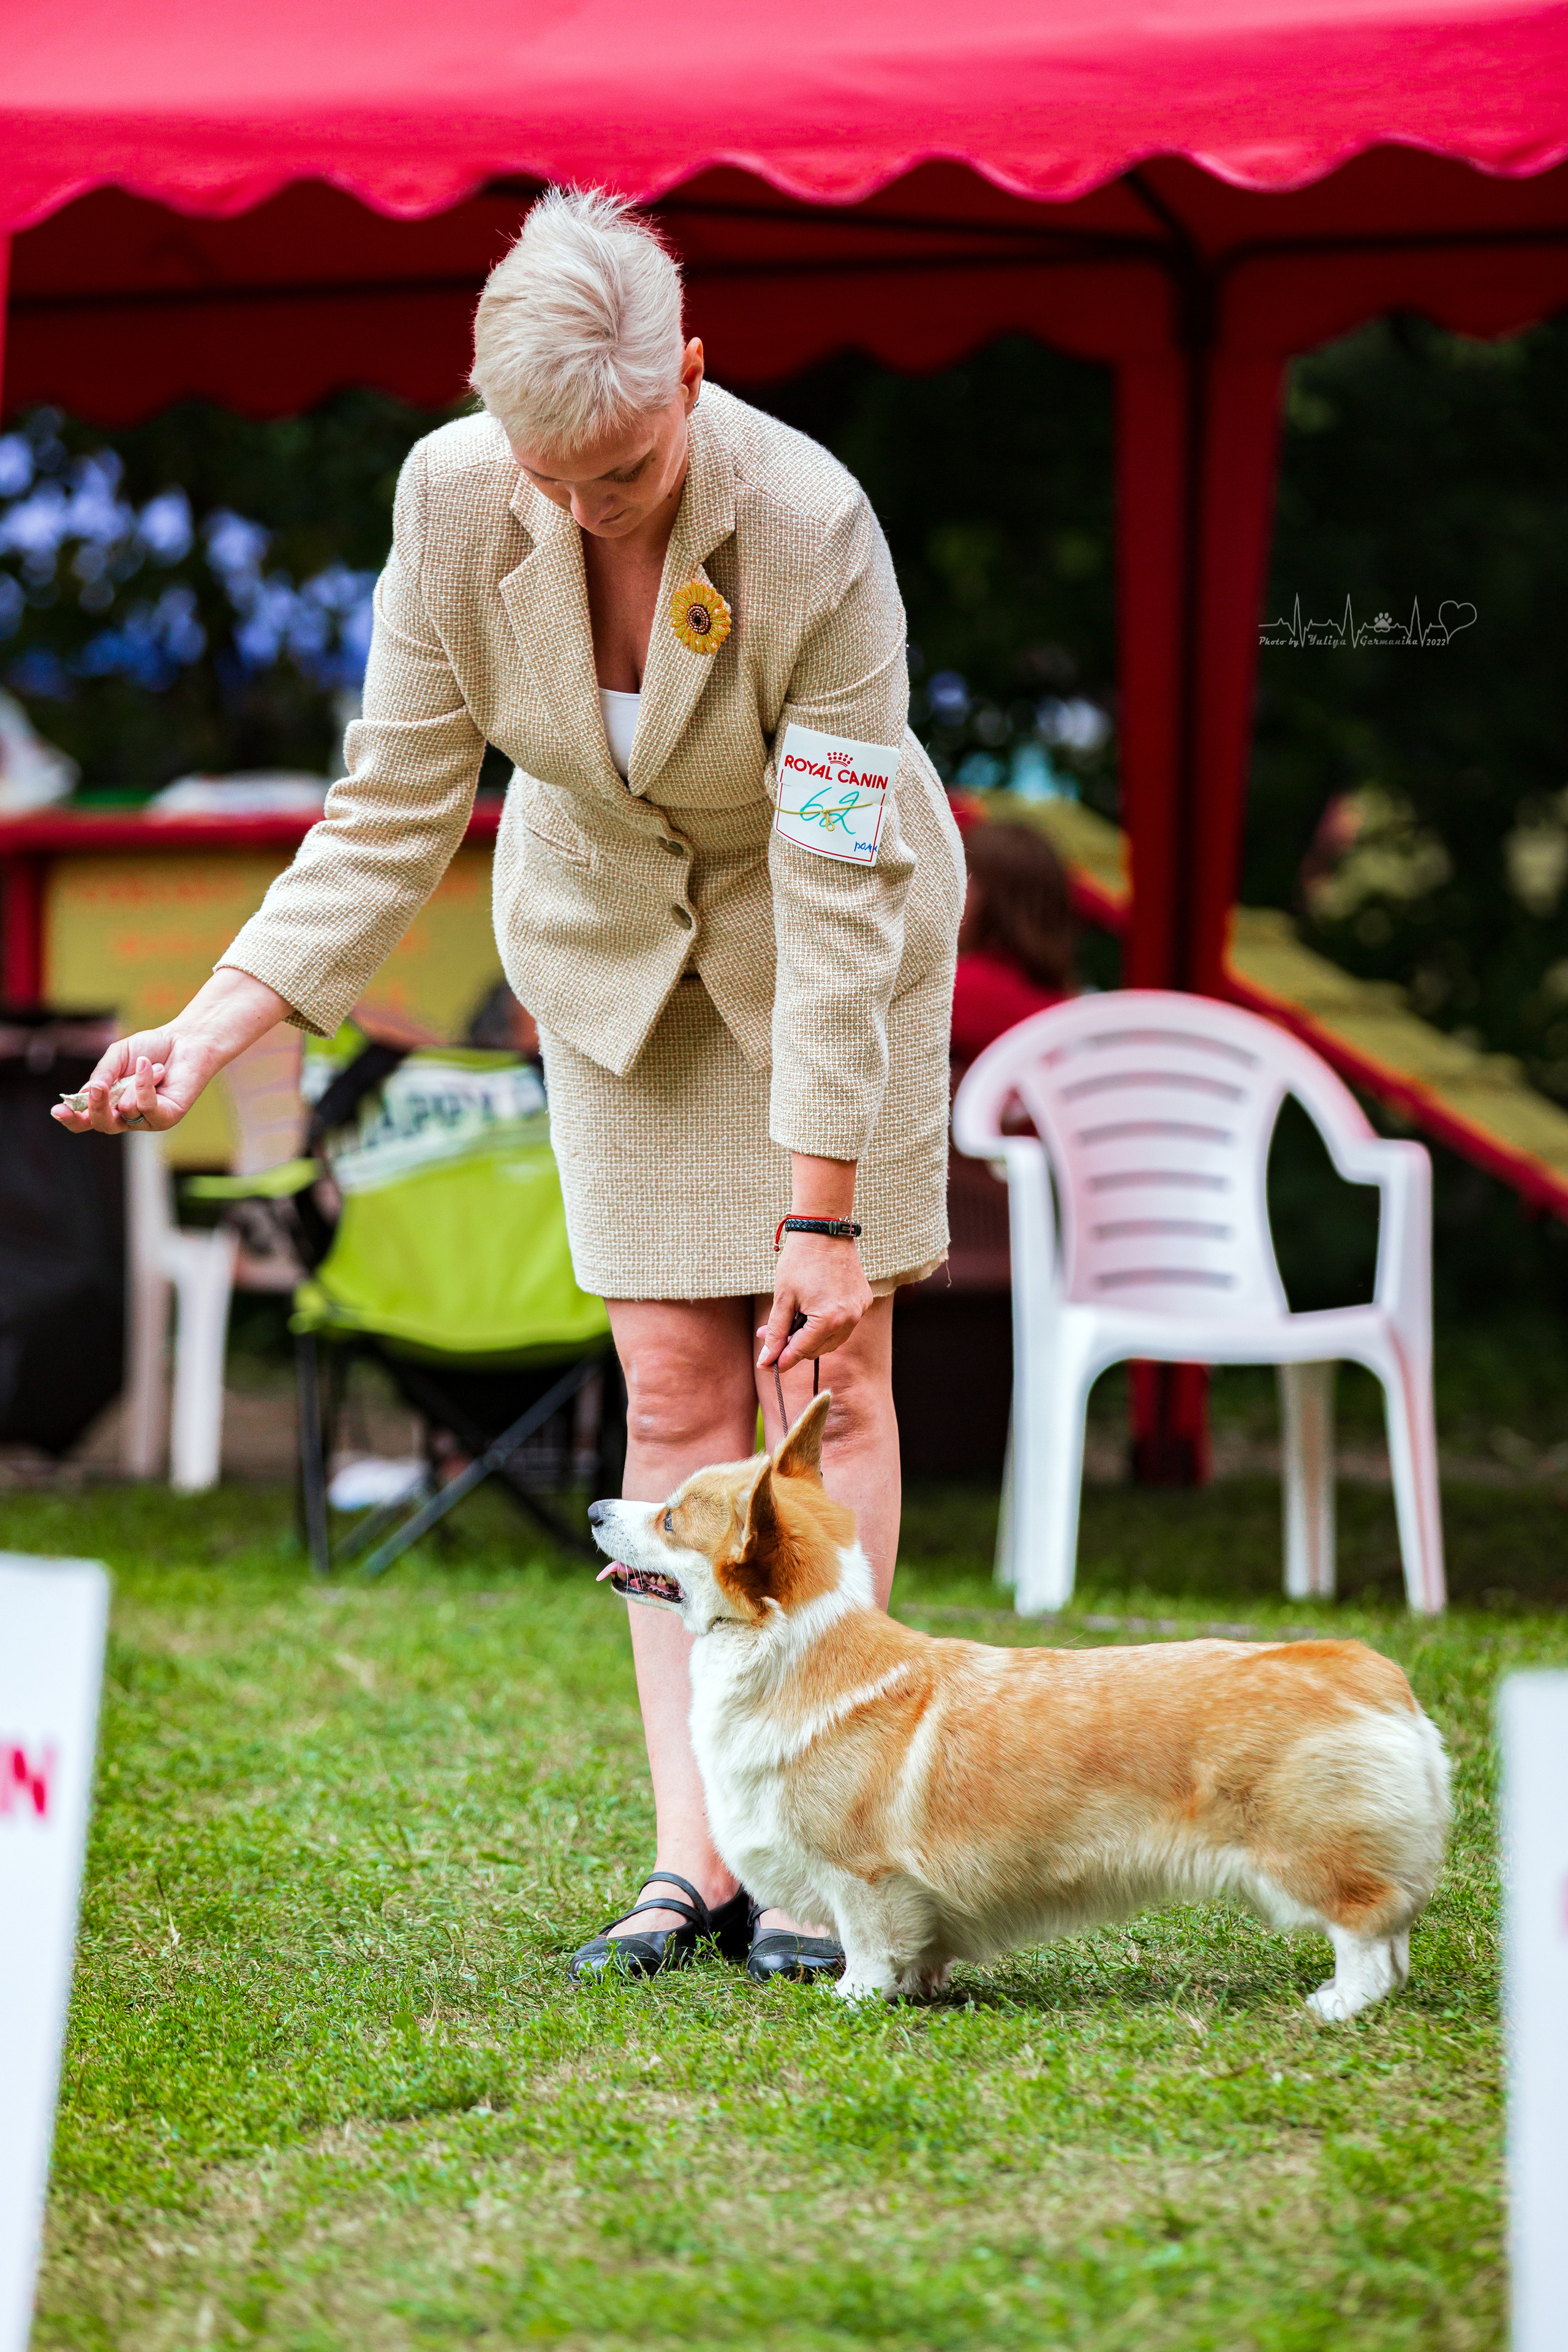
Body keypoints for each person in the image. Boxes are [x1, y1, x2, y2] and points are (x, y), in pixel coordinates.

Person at [55, 188, 963, 1987]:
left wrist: (819, 1211)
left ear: (689, 378)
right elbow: (384, 810)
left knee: (826, 1387)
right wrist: (211, 1024)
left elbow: (846, 876)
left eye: (613, 472)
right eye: (543, 467)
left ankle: (821, 1857)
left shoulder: (810, 520)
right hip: (614, 969)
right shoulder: (451, 494)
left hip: (824, 964)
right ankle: (694, 1857)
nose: (574, 502)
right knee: (674, 1390)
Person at [949, 817, 1074, 1072]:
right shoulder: (1064, 999)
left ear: (992, 899)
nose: (947, 891)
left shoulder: (960, 986)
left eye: (961, 877)